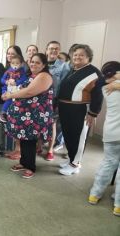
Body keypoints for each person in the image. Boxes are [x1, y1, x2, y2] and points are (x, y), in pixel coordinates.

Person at [3, 53, 53, 179]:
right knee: (24, 140)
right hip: (27, 115)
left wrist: (10, 96)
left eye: (37, 62)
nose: (33, 64)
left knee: (30, 141)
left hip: (35, 115)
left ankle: (30, 167)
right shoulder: (33, 75)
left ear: (44, 65)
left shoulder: (44, 76)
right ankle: (24, 163)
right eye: (32, 62)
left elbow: (30, 91)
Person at [58, 44, 104, 176]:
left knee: (78, 137)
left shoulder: (95, 73)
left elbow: (98, 95)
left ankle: (75, 164)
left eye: (81, 55)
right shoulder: (73, 69)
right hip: (66, 108)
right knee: (69, 136)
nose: (77, 57)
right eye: (75, 54)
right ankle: (71, 159)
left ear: (88, 57)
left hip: (80, 109)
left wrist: (93, 113)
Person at [88, 61, 120, 217]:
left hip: (111, 133)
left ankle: (94, 194)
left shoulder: (104, 86)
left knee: (108, 163)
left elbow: (101, 80)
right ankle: (118, 205)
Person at [42, 41, 70, 161]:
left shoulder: (64, 66)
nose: (53, 51)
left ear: (59, 51)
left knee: (52, 125)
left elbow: (65, 86)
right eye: (51, 48)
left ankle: (50, 150)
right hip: (39, 99)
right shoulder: (41, 63)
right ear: (46, 50)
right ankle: (39, 146)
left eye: (56, 49)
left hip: (53, 100)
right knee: (38, 124)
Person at [3, 45, 25, 160]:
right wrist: (6, 85)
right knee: (13, 125)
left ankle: (20, 151)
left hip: (19, 100)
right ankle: (16, 150)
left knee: (19, 125)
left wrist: (15, 82)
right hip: (9, 97)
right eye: (8, 53)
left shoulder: (23, 69)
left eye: (13, 53)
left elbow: (24, 81)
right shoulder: (7, 69)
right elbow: (2, 82)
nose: (10, 56)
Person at [0, 55, 28, 123]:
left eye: (17, 63)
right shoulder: (8, 71)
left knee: (15, 101)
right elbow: (1, 80)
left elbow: (24, 79)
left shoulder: (22, 71)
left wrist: (16, 83)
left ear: (21, 64)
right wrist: (6, 81)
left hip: (16, 90)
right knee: (7, 100)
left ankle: (11, 115)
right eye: (13, 63)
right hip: (7, 88)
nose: (15, 65)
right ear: (10, 64)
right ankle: (3, 113)